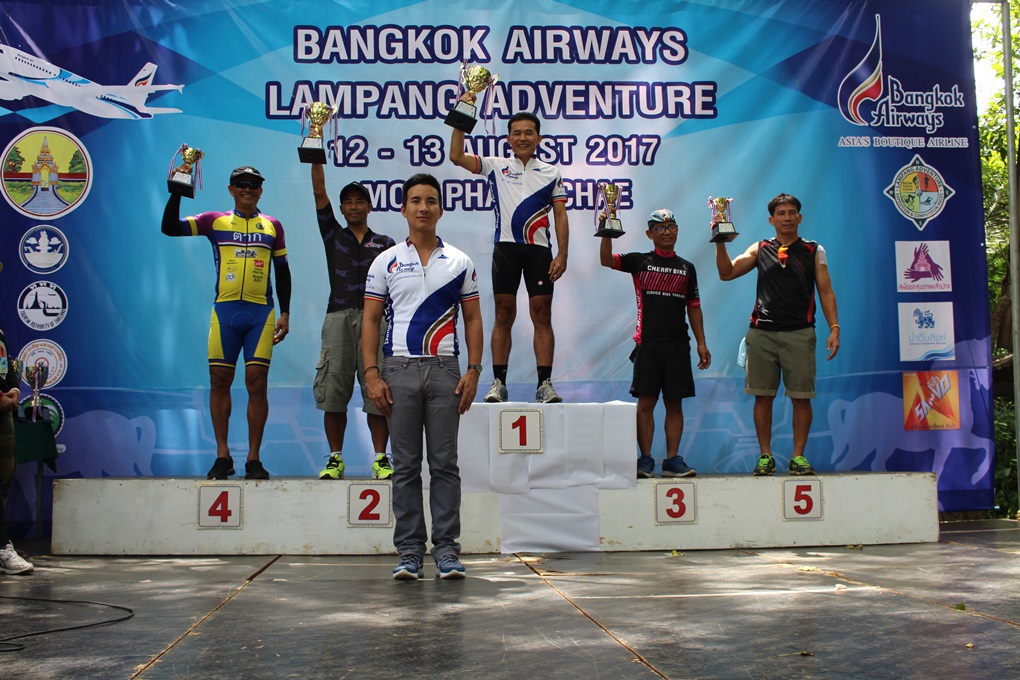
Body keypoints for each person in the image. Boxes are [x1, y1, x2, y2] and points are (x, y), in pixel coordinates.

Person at [362, 173, 483, 580]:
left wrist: (473, 370)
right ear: (403, 209)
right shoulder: (386, 261)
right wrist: (372, 374)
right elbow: (371, 320)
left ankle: (446, 550)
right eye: (415, 200)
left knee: (445, 464)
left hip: (445, 369)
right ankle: (410, 551)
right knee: (406, 466)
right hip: (398, 369)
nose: (423, 208)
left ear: (441, 210)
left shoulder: (460, 261)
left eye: (431, 200)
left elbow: (473, 319)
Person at [162, 166, 291, 480]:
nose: (248, 188)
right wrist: (177, 191)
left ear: (261, 190)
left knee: (257, 383)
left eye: (254, 184)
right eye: (241, 184)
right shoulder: (214, 221)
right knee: (219, 380)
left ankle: (254, 458)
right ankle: (222, 455)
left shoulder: (272, 225)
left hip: (260, 314)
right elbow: (170, 228)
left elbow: (282, 271)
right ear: (231, 189)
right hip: (225, 313)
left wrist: (286, 313)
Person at [715, 193, 839, 476]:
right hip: (762, 335)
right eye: (781, 213)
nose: (787, 218)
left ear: (800, 217)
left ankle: (798, 456)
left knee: (801, 397)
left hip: (800, 334)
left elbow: (826, 291)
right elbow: (727, 273)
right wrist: (720, 242)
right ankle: (765, 456)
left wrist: (835, 328)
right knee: (763, 397)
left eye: (792, 212)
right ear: (771, 220)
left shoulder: (813, 250)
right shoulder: (761, 248)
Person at [450, 106, 568, 403]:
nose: (523, 137)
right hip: (506, 249)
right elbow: (456, 156)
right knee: (503, 313)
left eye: (529, 132)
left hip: (539, 252)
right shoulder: (495, 165)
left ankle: (545, 384)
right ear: (508, 139)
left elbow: (560, 215)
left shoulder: (551, 172)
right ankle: (498, 383)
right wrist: (463, 113)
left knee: (542, 314)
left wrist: (562, 254)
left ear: (539, 138)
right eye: (517, 133)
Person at [600, 209, 711, 479]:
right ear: (649, 234)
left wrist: (701, 343)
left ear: (677, 230)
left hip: (678, 344)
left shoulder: (687, 267)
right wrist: (606, 230)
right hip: (648, 343)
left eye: (671, 226)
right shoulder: (640, 261)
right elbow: (606, 260)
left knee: (674, 403)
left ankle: (672, 460)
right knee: (646, 402)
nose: (667, 232)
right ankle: (645, 459)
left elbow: (694, 306)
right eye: (660, 228)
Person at [309, 165, 396, 480]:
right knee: (334, 391)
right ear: (342, 208)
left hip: (377, 320)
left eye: (360, 201)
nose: (354, 206)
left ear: (369, 207)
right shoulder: (333, 235)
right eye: (348, 202)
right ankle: (335, 459)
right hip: (338, 318)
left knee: (378, 392)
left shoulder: (386, 244)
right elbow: (319, 191)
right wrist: (315, 151)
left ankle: (381, 459)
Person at [0, 324, 33, 575]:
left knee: (4, 476)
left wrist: (13, 389)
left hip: (4, 414)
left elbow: (4, 363)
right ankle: (2, 547)